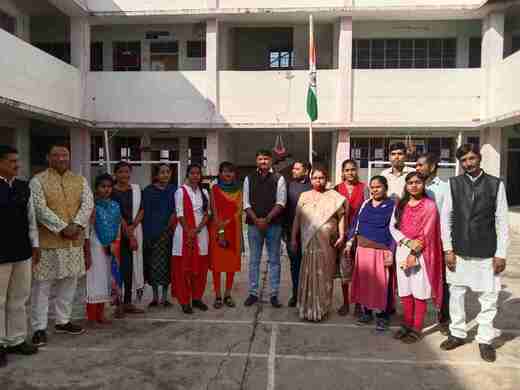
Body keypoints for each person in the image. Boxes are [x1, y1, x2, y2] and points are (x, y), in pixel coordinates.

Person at [440, 144, 509, 363]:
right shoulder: (453, 184)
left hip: (486, 250)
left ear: (479, 158)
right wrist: (447, 249)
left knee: (489, 297)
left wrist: (501, 253)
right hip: (459, 250)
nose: (468, 163)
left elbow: (502, 221)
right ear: (460, 163)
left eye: (472, 158)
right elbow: (446, 219)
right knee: (457, 294)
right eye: (464, 160)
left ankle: (485, 339)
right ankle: (458, 333)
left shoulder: (495, 185)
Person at [30, 144, 94, 347]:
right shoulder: (38, 181)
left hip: (73, 242)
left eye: (65, 155)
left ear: (70, 157)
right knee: (43, 286)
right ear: (48, 157)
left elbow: (88, 203)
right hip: (49, 241)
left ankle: (62, 321)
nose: (61, 158)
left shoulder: (80, 180)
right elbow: (39, 209)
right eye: (56, 155)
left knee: (70, 282)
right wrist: (62, 227)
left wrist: (76, 225)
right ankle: (39, 327)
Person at [390, 172, 444, 343]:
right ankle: (406, 324)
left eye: (418, 182)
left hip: (422, 254)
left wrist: (414, 253)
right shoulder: (401, 204)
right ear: (406, 186)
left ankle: (417, 327)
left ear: (424, 184)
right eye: (410, 182)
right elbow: (392, 226)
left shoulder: (430, 206)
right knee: (405, 290)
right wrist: (406, 241)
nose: (414, 185)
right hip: (402, 250)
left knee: (419, 292)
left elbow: (427, 233)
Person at [0, 145, 39, 368]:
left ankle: (16, 339)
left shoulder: (24, 187)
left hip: (22, 250)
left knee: (19, 297)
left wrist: (35, 245)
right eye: (12, 161)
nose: (17, 164)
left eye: (17, 160)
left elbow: (31, 219)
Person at [291, 165, 346, 322]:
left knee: (325, 275)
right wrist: (293, 239)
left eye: (321, 178)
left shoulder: (334, 196)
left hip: (327, 243)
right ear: (310, 179)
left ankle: (321, 309)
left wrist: (342, 235)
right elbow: (297, 218)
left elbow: (341, 217)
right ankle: (307, 309)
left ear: (326, 178)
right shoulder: (304, 196)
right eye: (315, 178)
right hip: (308, 241)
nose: (318, 181)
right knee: (308, 273)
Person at [348, 176, 396, 331]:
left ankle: (383, 316)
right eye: (372, 187)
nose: (375, 190)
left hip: (381, 251)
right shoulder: (365, 204)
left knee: (383, 285)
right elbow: (356, 224)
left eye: (378, 187)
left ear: (385, 188)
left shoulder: (392, 205)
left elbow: (395, 230)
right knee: (365, 283)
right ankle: (367, 312)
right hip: (363, 250)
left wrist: (391, 251)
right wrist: (350, 242)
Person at [243, 150, 287, 308]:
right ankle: (253, 293)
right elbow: (245, 203)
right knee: (254, 260)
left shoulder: (279, 178)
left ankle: (274, 294)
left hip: (273, 225)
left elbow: (281, 202)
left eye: (266, 159)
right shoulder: (248, 178)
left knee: (274, 260)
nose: (263, 162)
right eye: (260, 159)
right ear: (256, 161)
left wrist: (267, 219)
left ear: (271, 161)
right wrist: (257, 220)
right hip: (253, 225)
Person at [416, 153, 451, 334]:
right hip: (418, 242)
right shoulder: (414, 187)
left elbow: (448, 218)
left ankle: (444, 318)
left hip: (438, 242)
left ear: (433, 166)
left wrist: (448, 247)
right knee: (417, 279)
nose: (418, 168)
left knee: (443, 281)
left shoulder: (444, 188)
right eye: (417, 165)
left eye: (421, 165)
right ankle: (415, 318)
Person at [172, 163, 210, 314]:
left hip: (201, 234)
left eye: (198, 173)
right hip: (184, 235)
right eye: (192, 173)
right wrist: (189, 232)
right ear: (187, 175)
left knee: (201, 269)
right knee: (183, 270)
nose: (195, 176)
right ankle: (184, 301)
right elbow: (179, 214)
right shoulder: (180, 192)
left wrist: (197, 229)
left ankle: (197, 298)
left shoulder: (204, 192)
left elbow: (208, 213)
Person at [335, 159, 369, 316]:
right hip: (343, 235)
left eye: (352, 169)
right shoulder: (336, 189)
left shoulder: (364, 188)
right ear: (342, 172)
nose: (350, 172)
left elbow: (368, 210)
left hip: (361, 235)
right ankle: (346, 303)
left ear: (357, 171)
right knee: (345, 270)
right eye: (347, 170)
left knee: (359, 271)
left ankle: (358, 304)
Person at [86, 173, 121, 326]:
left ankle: (101, 315)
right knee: (94, 280)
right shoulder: (92, 205)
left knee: (106, 279)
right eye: (103, 186)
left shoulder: (115, 205)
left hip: (110, 247)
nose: (106, 189)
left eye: (109, 186)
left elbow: (118, 226)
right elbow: (88, 227)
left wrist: (114, 243)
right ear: (96, 188)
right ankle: (92, 317)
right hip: (96, 244)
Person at [111, 162, 145, 314]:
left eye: (127, 172)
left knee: (130, 268)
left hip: (134, 231)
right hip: (117, 234)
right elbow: (117, 214)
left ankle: (128, 302)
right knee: (117, 268)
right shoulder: (111, 191)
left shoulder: (137, 189)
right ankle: (118, 303)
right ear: (115, 174)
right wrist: (128, 232)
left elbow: (142, 209)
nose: (124, 175)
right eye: (121, 172)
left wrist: (133, 227)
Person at [142, 164, 177, 308]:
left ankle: (165, 297)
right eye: (162, 172)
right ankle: (155, 297)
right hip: (153, 233)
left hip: (169, 233)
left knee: (168, 265)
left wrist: (172, 220)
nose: (165, 175)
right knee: (154, 266)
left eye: (167, 172)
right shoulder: (148, 191)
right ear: (156, 175)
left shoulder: (174, 190)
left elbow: (178, 208)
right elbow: (145, 211)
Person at [209, 162, 242, 309]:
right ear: (220, 174)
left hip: (233, 229)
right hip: (217, 229)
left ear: (234, 174)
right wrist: (220, 227)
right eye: (225, 171)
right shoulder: (214, 189)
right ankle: (217, 295)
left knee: (230, 265)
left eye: (231, 171)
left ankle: (228, 294)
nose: (228, 174)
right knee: (217, 265)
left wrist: (227, 222)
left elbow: (239, 210)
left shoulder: (239, 190)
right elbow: (214, 210)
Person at [283, 160, 312, 308]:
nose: (293, 171)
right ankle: (295, 295)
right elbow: (284, 208)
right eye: (293, 168)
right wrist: (285, 232)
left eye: (297, 168)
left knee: (310, 266)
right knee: (295, 266)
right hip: (291, 234)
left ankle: (308, 295)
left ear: (306, 171)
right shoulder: (288, 185)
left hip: (310, 234)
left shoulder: (313, 186)